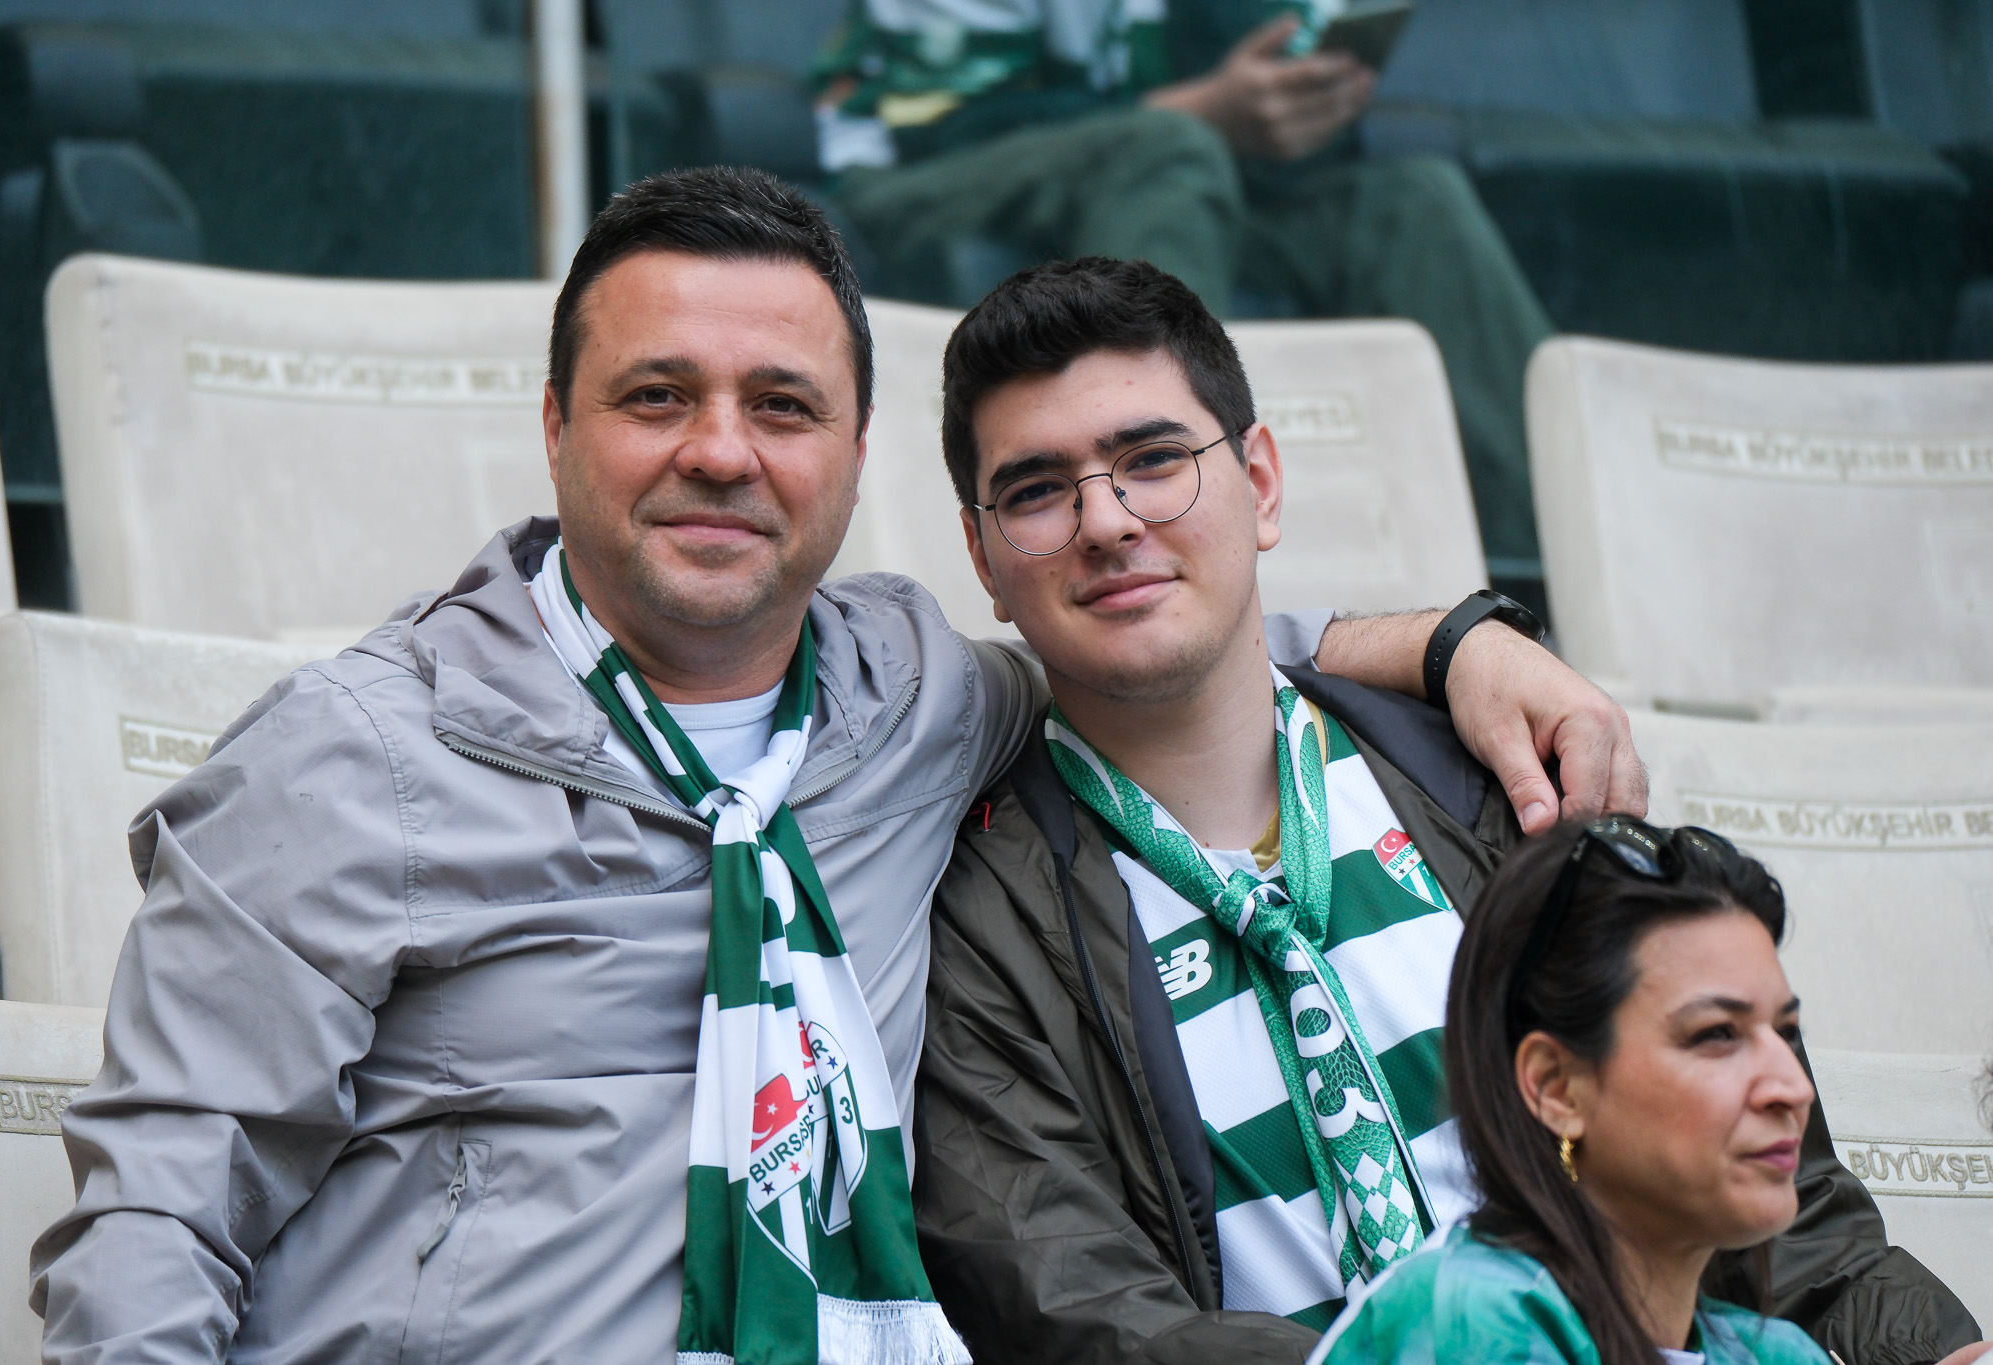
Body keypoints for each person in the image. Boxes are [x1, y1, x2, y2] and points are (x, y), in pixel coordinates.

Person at [28, 167, 1638, 1363]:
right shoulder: (350, 759)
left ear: (856, 459)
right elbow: (154, 1220)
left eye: (782, 405)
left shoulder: (911, 698)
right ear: (556, 427)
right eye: (657, 396)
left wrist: (1455, 644)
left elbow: (1163, 634)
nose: (722, 449)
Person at [909, 255, 1979, 1364]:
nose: (1105, 519)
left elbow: (1780, 1213)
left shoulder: (1494, 780)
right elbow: (1082, 1321)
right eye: (1036, 492)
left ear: (1261, 483)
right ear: (982, 556)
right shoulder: (969, 928)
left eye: (1153, 460)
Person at [814, 0, 1555, 592]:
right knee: (1170, 148)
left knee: (1416, 203)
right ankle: (1168, 532)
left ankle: (1547, 576)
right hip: (916, 181)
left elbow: (1276, 105)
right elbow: (937, 124)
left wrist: (1298, 103)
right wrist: (1201, 107)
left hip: (1183, 174)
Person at [1310, 817, 1988, 1365]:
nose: (1791, 1086)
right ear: (1557, 1088)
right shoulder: (1464, 1322)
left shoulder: (1775, 1353)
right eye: (1717, 1034)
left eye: (1785, 1033)